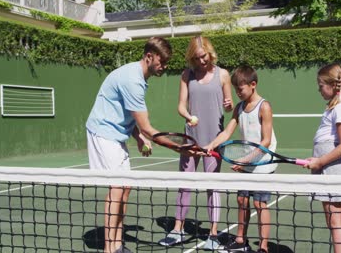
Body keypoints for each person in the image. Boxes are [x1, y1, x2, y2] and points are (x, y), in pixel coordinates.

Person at [86, 37, 172, 253]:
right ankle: (109, 249)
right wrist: (177, 147)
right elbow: (147, 128)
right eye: (162, 62)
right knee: (116, 188)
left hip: (117, 134)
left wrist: (138, 137)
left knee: (125, 186)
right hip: (103, 133)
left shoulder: (138, 77)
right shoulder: (132, 80)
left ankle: (117, 244)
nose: (164, 67)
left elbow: (127, 113)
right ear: (149, 57)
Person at [158, 36, 234, 250]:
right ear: (192, 58)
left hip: (214, 142)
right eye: (197, 58)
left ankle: (212, 234)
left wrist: (228, 105)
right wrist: (189, 116)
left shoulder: (223, 75)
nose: (202, 61)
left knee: (213, 187)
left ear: (210, 53)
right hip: (190, 141)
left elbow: (229, 107)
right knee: (185, 186)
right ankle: (177, 229)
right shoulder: (186, 75)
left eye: (205, 56)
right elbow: (181, 107)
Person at [205, 65, 277, 253]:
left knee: (259, 204)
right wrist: (212, 144)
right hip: (246, 162)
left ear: (253, 85)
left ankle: (263, 247)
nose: (237, 92)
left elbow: (266, 142)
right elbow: (228, 131)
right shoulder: (239, 108)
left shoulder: (264, 107)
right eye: (235, 88)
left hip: (263, 163)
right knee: (242, 201)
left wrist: (244, 160)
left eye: (241, 88)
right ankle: (240, 240)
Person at [303, 63, 341, 253]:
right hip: (324, 165)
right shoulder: (333, 107)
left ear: (333, 85)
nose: (319, 89)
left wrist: (320, 161)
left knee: (335, 219)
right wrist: (316, 158)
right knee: (330, 218)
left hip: (332, 168)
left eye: (321, 85)